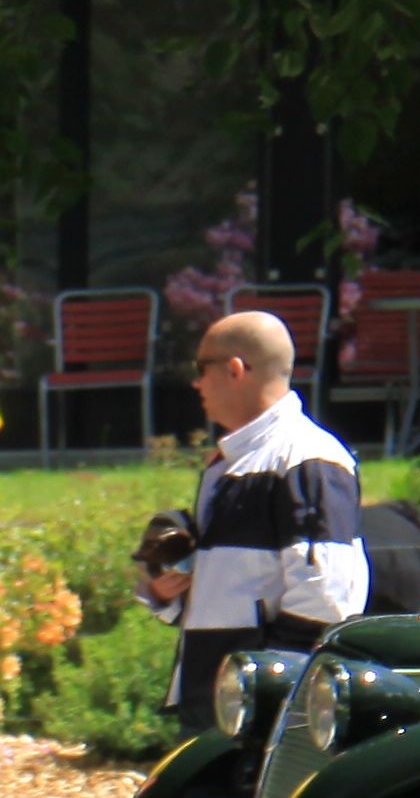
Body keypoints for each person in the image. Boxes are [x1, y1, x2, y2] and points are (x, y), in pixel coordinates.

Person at [143, 308, 367, 733]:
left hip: (260, 708)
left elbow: (327, 597)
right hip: (222, 695)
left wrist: (264, 686)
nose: (195, 383)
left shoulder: (307, 457)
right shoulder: (235, 461)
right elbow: (239, 584)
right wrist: (168, 587)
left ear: (235, 369)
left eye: (200, 367)